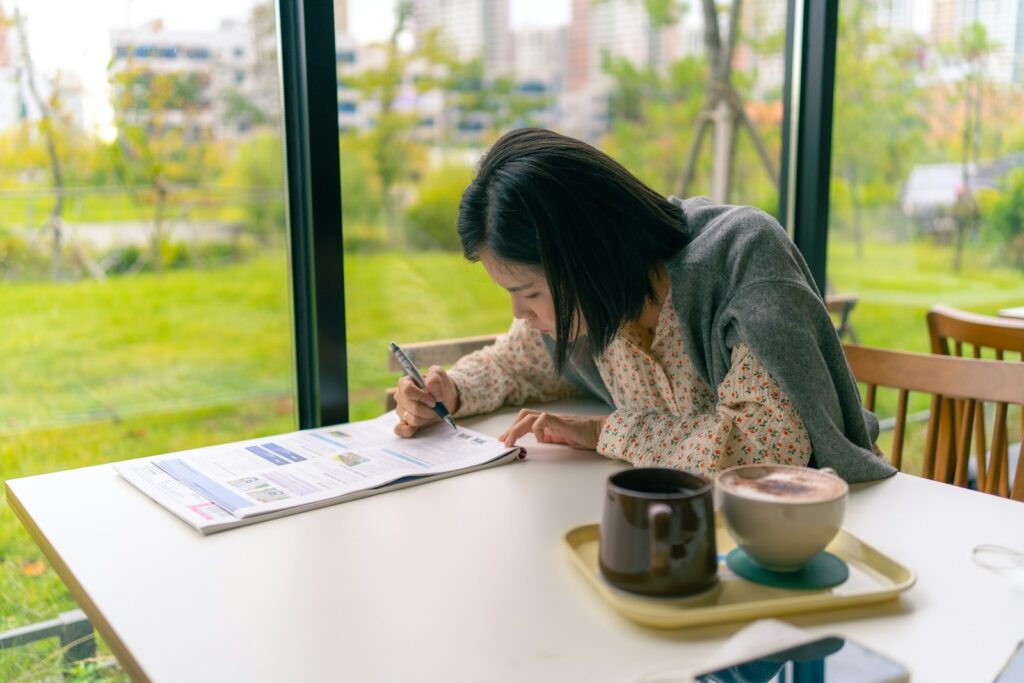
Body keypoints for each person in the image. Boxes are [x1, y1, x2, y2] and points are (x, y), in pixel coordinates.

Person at [392, 128, 895, 482]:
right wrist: (451, 391)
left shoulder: (741, 255)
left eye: (529, 293)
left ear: (588, 259)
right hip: (691, 522)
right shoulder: (597, 306)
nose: (521, 314)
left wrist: (605, 432)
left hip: (822, 524)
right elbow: (517, 362)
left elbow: (766, 444)